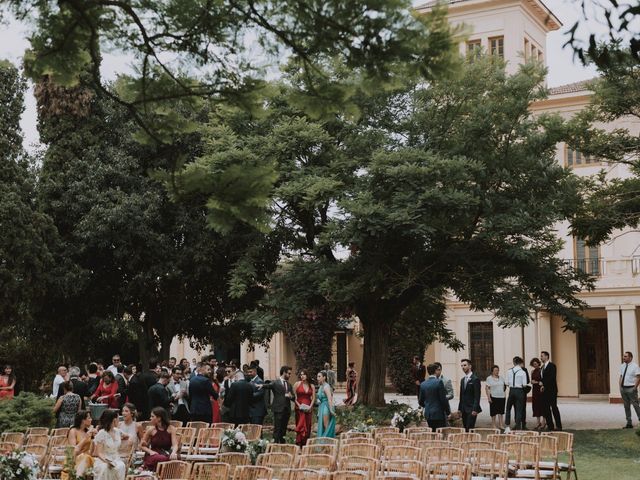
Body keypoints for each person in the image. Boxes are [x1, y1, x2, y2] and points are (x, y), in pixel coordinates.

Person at [261, 366, 294, 443]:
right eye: (289, 373)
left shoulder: (289, 385)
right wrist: (261, 385)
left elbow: (293, 397)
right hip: (278, 409)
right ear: (284, 373)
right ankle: (275, 444)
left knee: (284, 429)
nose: (290, 375)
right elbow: (268, 385)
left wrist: (291, 396)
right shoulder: (276, 382)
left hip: (287, 409)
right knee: (277, 428)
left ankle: (282, 444)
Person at [141, 407, 179, 471]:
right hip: (154, 454)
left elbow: (175, 444)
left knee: (173, 458)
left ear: (159, 418)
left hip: (166, 452)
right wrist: (150, 452)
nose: (150, 418)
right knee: (161, 458)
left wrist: (173, 452)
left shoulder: (171, 428)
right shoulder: (151, 430)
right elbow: (141, 445)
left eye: (152, 416)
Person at [93, 410, 126, 480]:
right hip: (103, 459)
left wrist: (124, 439)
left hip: (116, 458)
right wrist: (107, 461)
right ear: (114, 420)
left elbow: (127, 436)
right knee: (106, 468)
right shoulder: (102, 433)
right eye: (118, 418)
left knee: (121, 466)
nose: (119, 420)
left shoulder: (117, 431)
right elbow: (99, 453)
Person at [419, 363, 450, 431]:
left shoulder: (423, 384)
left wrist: (427, 405)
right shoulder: (439, 382)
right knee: (440, 433)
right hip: (438, 413)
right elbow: (443, 400)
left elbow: (420, 401)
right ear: (435, 371)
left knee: (432, 433)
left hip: (428, 414)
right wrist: (448, 412)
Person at [66, 410, 95, 479]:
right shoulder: (73, 431)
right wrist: (85, 438)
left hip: (88, 458)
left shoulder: (88, 432)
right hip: (75, 458)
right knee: (85, 458)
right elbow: (74, 451)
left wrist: (95, 437)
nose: (91, 419)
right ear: (83, 420)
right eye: (89, 418)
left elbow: (92, 451)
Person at [457, 359, 482, 431]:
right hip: (463, 409)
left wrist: (475, 409)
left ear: (470, 366)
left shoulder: (475, 379)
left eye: (465, 365)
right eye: (461, 366)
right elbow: (461, 395)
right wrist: (459, 409)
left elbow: (477, 396)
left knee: (470, 428)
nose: (463, 367)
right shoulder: (462, 380)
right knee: (465, 428)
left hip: (471, 409)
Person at [540, 351, 562, 431]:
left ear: (546, 356)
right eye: (541, 356)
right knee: (546, 408)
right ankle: (550, 426)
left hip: (552, 390)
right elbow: (543, 378)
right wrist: (542, 385)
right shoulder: (542, 367)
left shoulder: (552, 366)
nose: (541, 357)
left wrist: (543, 383)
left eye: (542, 356)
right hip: (545, 391)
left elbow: (552, 377)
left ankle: (559, 426)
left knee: (554, 407)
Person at [293, 369, 315, 446]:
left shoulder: (311, 386)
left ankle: (305, 443)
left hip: (308, 408)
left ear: (307, 375)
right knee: (300, 424)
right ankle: (299, 443)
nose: (302, 376)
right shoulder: (297, 384)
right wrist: (299, 405)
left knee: (308, 425)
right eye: (301, 375)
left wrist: (310, 407)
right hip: (299, 408)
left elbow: (313, 398)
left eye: (304, 374)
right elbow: (294, 397)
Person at [504, 356, 527, 431]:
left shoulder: (509, 371)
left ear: (514, 363)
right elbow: (524, 384)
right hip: (519, 391)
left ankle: (507, 426)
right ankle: (518, 427)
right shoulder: (523, 372)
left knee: (508, 408)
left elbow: (506, 383)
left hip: (511, 390)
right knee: (519, 409)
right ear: (520, 363)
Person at [619, 351, 640, 428]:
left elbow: (638, 377)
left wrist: (634, 388)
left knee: (636, 405)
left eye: (625, 356)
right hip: (623, 389)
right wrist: (620, 386)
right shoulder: (622, 366)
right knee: (626, 406)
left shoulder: (635, 366)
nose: (623, 358)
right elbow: (621, 376)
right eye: (623, 356)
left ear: (630, 357)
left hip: (631, 388)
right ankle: (629, 423)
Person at [485, 365, 506, 430]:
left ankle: (501, 425)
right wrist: (489, 397)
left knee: (501, 412)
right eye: (495, 370)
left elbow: (504, 387)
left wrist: (504, 393)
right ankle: (493, 425)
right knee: (493, 412)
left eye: (498, 370)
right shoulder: (489, 378)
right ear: (492, 371)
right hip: (493, 397)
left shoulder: (502, 378)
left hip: (502, 397)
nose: (497, 372)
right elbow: (487, 388)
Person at [316, 370, 336, 438]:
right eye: (317, 376)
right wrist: (318, 400)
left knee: (326, 425)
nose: (317, 378)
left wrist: (331, 410)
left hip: (326, 407)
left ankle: (328, 441)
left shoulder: (326, 386)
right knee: (322, 425)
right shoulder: (321, 386)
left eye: (319, 376)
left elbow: (329, 399)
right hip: (321, 406)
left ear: (324, 377)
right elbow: (319, 397)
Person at [530, 358, 546, 430]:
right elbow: (531, 381)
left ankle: (544, 422)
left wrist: (536, 382)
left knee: (542, 405)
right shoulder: (532, 371)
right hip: (535, 390)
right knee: (535, 405)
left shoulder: (541, 370)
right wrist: (535, 382)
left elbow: (543, 381)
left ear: (538, 363)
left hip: (540, 390)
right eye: (533, 364)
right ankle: (538, 422)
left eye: (536, 364)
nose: (535, 365)